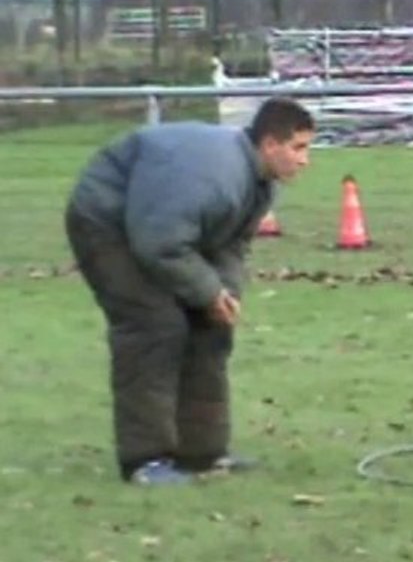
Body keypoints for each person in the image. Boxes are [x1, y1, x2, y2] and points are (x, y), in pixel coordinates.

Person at [64, 97, 315, 485]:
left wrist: (223, 296)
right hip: (107, 221)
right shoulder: (218, 177)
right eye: (298, 148)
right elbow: (159, 243)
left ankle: (204, 454)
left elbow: (230, 245)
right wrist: (207, 291)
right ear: (269, 144)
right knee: (155, 326)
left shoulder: (260, 185)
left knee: (211, 328)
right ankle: (145, 462)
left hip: (159, 229)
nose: (305, 160)